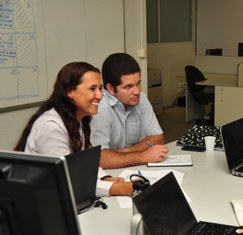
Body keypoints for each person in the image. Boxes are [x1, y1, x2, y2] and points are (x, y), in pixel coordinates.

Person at [14, 62, 133, 196]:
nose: (100, 95)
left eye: (100, 88)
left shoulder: (82, 118)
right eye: (92, 89)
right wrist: (116, 188)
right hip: (41, 201)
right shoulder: (51, 126)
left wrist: (105, 178)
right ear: (70, 92)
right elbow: (68, 180)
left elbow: (83, 163)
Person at [91, 53, 168, 169]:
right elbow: (101, 159)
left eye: (138, 83)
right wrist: (143, 156)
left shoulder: (140, 98)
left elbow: (158, 139)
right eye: (128, 87)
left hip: (133, 168)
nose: (136, 91)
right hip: (107, 174)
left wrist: (119, 153)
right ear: (110, 89)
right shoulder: (100, 105)